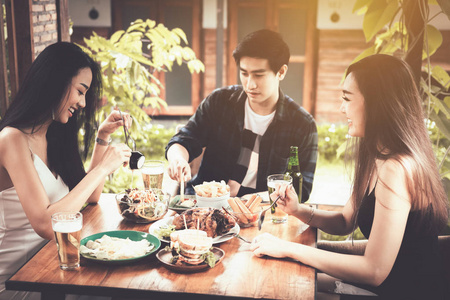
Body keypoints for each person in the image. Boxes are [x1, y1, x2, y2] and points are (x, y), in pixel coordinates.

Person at [250, 54, 449, 299]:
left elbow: (374, 270)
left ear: (378, 102)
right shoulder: (377, 156)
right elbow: (345, 222)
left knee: (283, 289)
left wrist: (288, 249)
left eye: (346, 98)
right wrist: (297, 209)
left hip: (403, 291)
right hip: (384, 285)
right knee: (286, 279)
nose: (341, 107)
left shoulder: (396, 168)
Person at [0, 42, 132, 300]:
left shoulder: (52, 136)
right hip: (18, 283)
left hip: (52, 269)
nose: (83, 103)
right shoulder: (11, 140)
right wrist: (104, 166)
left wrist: (102, 137)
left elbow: (90, 197)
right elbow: (47, 224)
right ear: (55, 82)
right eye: (80, 91)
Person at [166, 29, 318, 199]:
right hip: (206, 204)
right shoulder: (220, 102)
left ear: (281, 72)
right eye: (244, 73)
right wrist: (178, 159)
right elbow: (184, 139)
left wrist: (252, 200)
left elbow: (301, 189)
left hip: (260, 211)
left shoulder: (302, 124)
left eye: (258, 75)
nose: (250, 84)